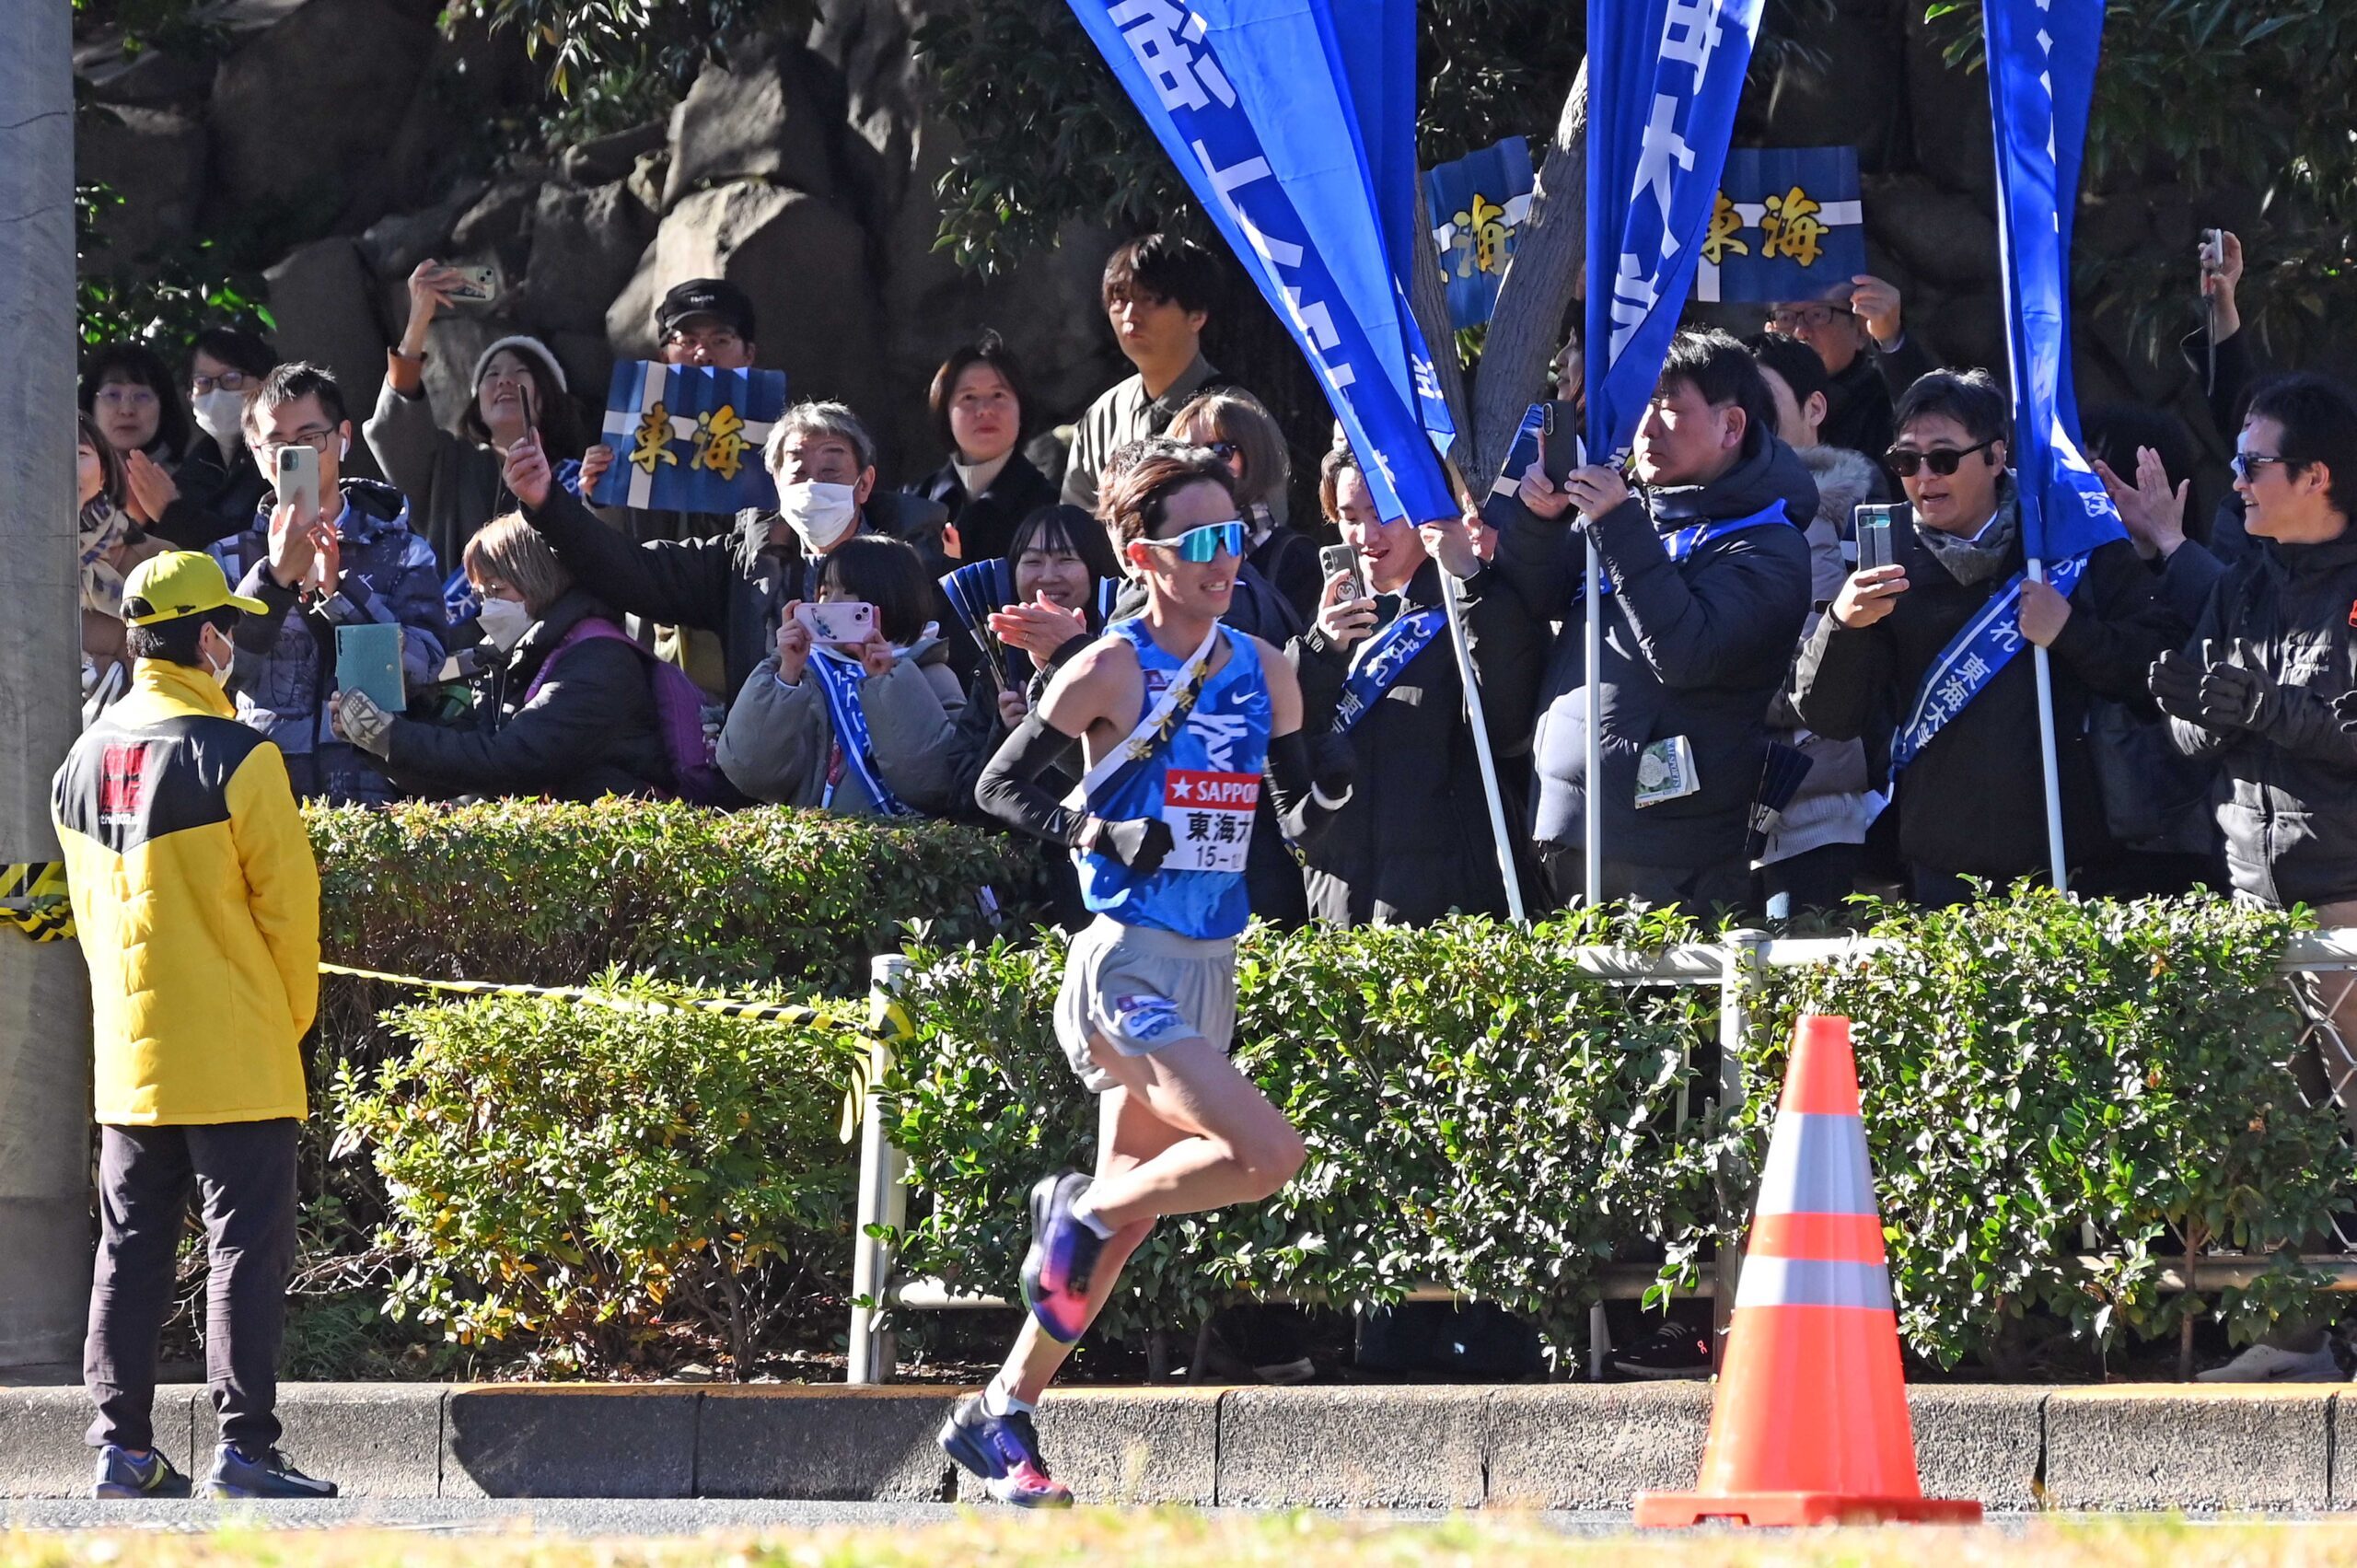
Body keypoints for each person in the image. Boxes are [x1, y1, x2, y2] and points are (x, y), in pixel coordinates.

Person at [942, 444, 1347, 1507]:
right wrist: (1097, 828)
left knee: (1118, 1236)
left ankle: (999, 1410)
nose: (1227, 558)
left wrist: (1337, 694)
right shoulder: (1105, 668)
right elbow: (997, 783)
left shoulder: (1265, 666)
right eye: (1202, 541)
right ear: (1144, 556)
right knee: (1264, 1154)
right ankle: (1067, 1205)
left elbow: (1308, 796)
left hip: (1214, 961)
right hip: (1127, 964)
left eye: (1239, 535)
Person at [51, 551, 339, 1502]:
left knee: (129, 1246)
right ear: (206, 637)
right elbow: (291, 918)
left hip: (131, 1055)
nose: (233, 643)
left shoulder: (78, 765)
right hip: (238, 1046)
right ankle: (245, 1444)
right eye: (228, 626)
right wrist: (285, 1023)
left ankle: (119, 1446)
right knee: (242, 1244)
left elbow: (93, 920)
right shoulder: (239, 757)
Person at [1790, 370, 2184, 905]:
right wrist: (1842, 626)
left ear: (1997, 457)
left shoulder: (2066, 538)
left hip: (2072, 857)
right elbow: (1829, 717)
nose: (1924, 476)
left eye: (1944, 459)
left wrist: (2069, 632)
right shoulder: (1887, 553)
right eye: (1907, 461)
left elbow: (2157, 670)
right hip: (1943, 864)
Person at [2151, 373, 2357, 1382]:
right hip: (2250, 890)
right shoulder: (2243, 576)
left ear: (2316, 475)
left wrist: (2264, 708)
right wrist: (2193, 706)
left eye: (2251, 465)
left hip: (2342, 890)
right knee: (2276, 1129)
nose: (2233, 482)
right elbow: (2196, 722)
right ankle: (2293, 1335)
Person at [1501, 329, 1817, 914]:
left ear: (1731, 427)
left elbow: (1689, 654)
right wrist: (1541, 523)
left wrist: (1619, 527)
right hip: (1564, 829)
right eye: (1640, 407)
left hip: (1670, 855)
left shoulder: (1769, 544)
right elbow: (1529, 604)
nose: (1646, 429)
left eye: (1669, 410)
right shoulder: (1626, 513)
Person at [510, 400, 950, 707]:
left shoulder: (914, 559)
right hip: (770, 779)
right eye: (797, 469)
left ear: (865, 483)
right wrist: (548, 504)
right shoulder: (743, 562)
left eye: (831, 469)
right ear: (775, 482)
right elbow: (633, 571)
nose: (814, 483)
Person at [1290, 444, 1540, 923]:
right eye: (1348, 516)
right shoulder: (1331, 626)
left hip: (1447, 913)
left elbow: (1506, 723)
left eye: (1382, 513)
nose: (1365, 535)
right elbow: (1287, 760)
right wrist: (1320, 651)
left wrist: (1469, 583)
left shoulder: (1472, 605)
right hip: (1341, 910)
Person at [209, 363, 447, 803]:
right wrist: (274, 578)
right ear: (256, 455)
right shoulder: (227, 559)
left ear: (343, 439)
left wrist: (340, 594)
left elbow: (423, 669)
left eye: (309, 439)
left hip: (374, 793)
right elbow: (216, 677)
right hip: (264, 797)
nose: (293, 454)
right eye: (277, 444)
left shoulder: (401, 549)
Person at [329, 515, 673, 802]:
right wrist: (374, 738)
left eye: (497, 590)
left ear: (539, 580)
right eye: (481, 594)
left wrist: (391, 737)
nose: (488, 607)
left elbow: (510, 763)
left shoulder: (599, 661)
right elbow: (458, 772)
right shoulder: (515, 661)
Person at [1746, 332, 1884, 917]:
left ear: (1815, 408)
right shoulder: (1706, 513)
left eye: (1757, 395)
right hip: (1730, 816)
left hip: (1823, 814)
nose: (1741, 415)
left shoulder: (1864, 515)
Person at [714, 535, 969, 814]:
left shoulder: (932, 674)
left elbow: (933, 782)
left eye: (848, 591)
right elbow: (750, 772)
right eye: (824, 591)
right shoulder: (804, 674)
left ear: (892, 596)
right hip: (816, 847)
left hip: (905, 851)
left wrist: (889, 681)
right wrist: (784, 673)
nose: (831, 604)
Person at [367, 260, 587, 577]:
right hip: (464, 626)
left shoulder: (572, 477)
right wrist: (417, 323)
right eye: (492, 374)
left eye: (521, 371)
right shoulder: (449, 465)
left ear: (549, 395)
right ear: (477, 404)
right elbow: (396, 431)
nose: (504, 381)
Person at [944, 504, 1125, 855]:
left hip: (1103, 850)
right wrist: (1005, 731)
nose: (1047, 576)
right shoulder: (998, 665)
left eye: (1066, 560)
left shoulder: (1122, 654)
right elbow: (965, 801)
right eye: (1032, 561)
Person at [581, 277, 764, 546]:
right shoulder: (636, 435)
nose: (702, 354)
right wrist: (599, 496)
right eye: (687, 340)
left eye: (721, 340)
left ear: (748, 354)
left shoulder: (780, 439)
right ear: (664, 356)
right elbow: (608, 549)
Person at [1061, 235, 1233, 516]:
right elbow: (1075, 525)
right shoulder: (1104, 415)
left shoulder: (1234, 415)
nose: (1130, 314)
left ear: (1197, 316)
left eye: (1150, 299)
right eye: (1120, 299)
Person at [1167, 387, 1320, 621]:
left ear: (1254, 456)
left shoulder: (1296, 558)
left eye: (1219, 451)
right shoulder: (1166, 548)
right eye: (1185, 451)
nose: (1199, 462)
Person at [913, 332, 1058, 565]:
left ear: (1021, 410)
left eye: (998, 395)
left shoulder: (1050, 503)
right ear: (945, 412)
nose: (984, 410)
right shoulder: (916, 501)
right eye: (968, 397)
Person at [1764, 275, 1936, 465]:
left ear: (1861, 331)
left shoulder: (1884, 398)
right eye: (1785, 317)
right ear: (1769, 331)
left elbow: (1928, 420)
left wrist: (1890, 337)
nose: (1800, 332)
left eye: (1818, 314)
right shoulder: (1749, 400)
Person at [134, 329, 277, 552]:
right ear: (190, 397)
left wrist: (172, 513)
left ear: (265, 383)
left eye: (231, 379)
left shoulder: (278, 458)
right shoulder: (193, 470)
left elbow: (264, 547)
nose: (217, 393)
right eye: (203, 382)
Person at [78, 412, 168, 714]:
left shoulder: (157, 562)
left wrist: (93, 672)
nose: (60, 466)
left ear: (104, 472)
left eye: (79, 454)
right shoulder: (13, 566)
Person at [80, 343, 197, 535]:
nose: (127, 410)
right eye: (112, 395)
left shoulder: (193, 478)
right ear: (90, 404)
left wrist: (171, 512)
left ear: (163, 406)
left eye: (142, 396)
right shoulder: (66, 478)